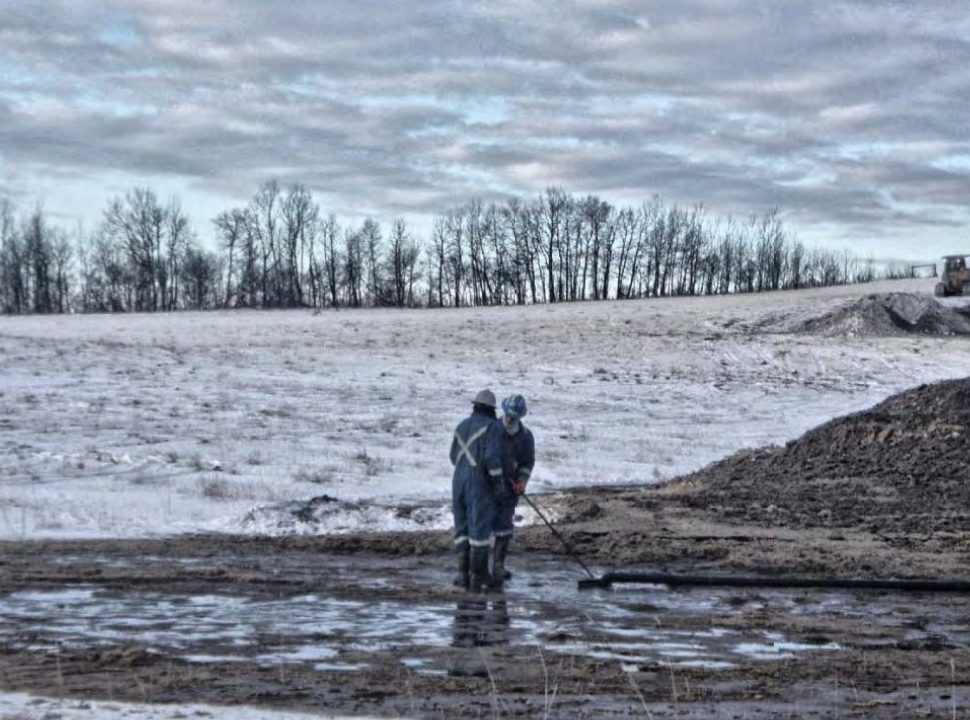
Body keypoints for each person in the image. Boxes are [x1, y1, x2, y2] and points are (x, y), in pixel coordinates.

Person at [484, 393, 535, 591]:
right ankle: (477, 568)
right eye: (507, 415)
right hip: (487, 488)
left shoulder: (526, 437)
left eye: (513, 417)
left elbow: (527, 462)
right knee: (482, 526)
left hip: (509, 489)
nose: (508, 419)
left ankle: (498, 566)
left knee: (504, 527)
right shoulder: (491, 430)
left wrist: (522, 481)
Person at [449, 388, 498, 592]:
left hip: (458, 481)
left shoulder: (461, 426)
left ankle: (462, 573)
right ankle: (479, 575)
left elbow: (453, 456)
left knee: (461, 527)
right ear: (491, 410)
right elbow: (492, 461)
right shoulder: (492, 428)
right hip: (479, 484)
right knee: (479, 529)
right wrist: (499, 481)